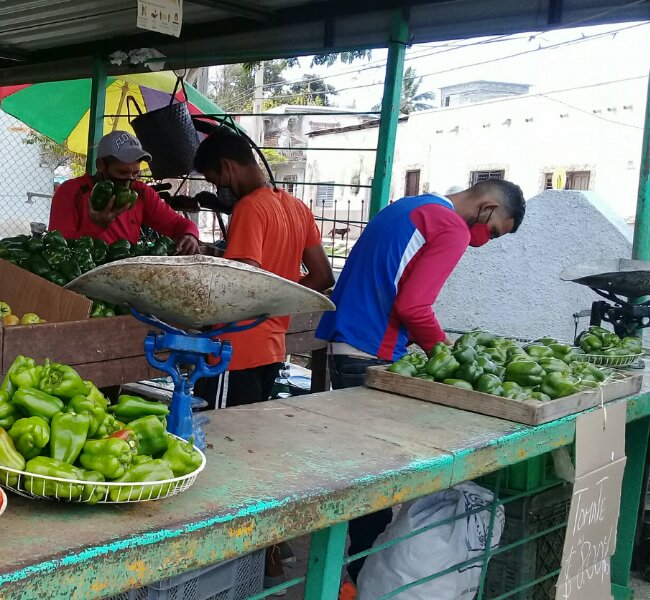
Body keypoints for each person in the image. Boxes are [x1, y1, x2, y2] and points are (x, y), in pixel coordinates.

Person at [315, 178, 525, 581]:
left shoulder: (410, 206)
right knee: (373, 486)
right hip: (369, 354)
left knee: (356, 469)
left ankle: (347, 577)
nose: (486, 240)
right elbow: (415, 305)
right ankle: (358, 581)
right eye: (494, 231)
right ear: (487, 207)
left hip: (345, 346)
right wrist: (448, 356)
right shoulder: (451, 228)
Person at [191, 130, 334, 409]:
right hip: (271, 348)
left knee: (217, 434)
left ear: (227, 167)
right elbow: (322, 276)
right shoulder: (297, 209)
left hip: (235, 349)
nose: (217, 189)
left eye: (214, 180)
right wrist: (277, 302)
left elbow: (243, 279)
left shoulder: (249, 207)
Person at [49, 131, 202, 254]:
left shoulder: (140, 192)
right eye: (122, 173)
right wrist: (95, 226)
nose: (129, 181)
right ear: (100, 165)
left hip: (125, 274)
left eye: (135, 174)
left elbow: (177, 223)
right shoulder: (71, 192)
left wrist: (190, 235)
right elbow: (58, 247)